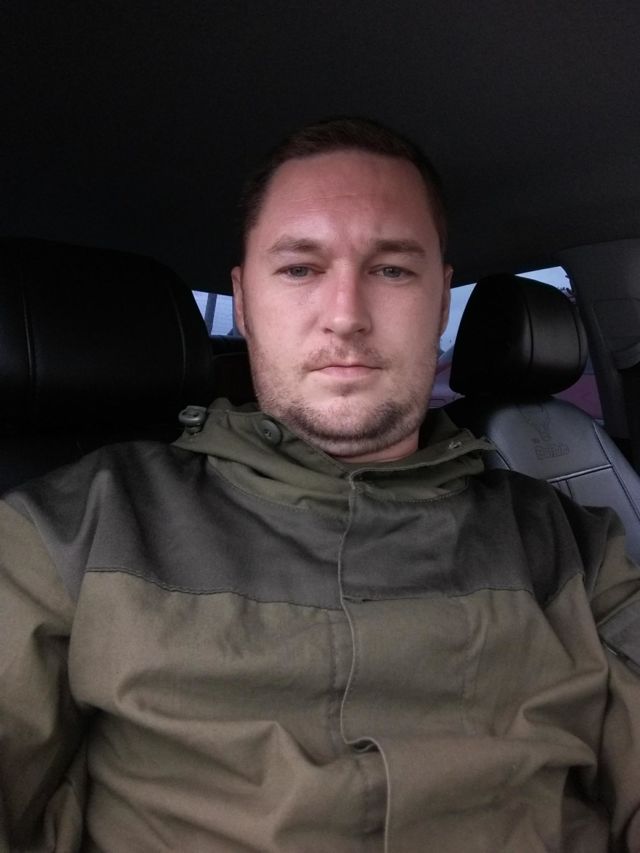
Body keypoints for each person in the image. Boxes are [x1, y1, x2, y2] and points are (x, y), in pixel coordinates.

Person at [0, 117, 639, 853]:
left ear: (440, 301)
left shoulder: (570, 545)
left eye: (392, 270)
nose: (345, 316)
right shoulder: (71, 530)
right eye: (300, 269)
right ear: (243, 301)